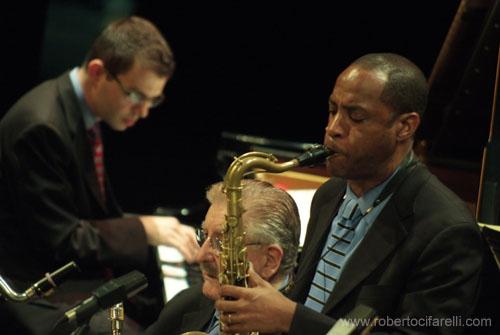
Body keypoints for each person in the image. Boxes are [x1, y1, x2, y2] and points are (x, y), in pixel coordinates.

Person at [214, 53, 484, 334]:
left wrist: (291, 319)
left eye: (355, 117)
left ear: (405, 127)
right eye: (333, 110)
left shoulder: (447, 232)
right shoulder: (329, 194)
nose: (333, 129)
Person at [0, 16, 199, 334]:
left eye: (154, 100)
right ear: (97, 72)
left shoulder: (80, 112)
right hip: (37, 288)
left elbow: (84, 215)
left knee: (171, 309)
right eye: (136, 96)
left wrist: (150, 228)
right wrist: (144, 229)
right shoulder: (41, 127)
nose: (144, 112)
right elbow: (64, 241)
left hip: (66, 270)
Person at [144, 179, 301, 334]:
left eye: (222, 243)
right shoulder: (186, 302)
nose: (200, 256)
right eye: (204, 235)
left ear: (270, 260)